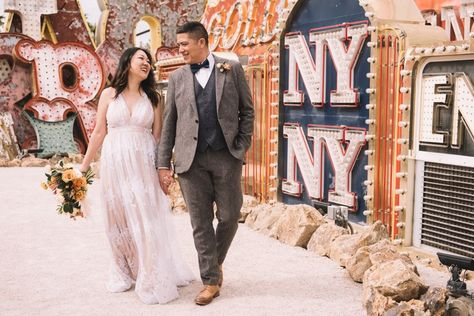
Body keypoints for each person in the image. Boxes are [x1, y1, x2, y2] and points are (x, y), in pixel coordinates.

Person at [79, 47, 194, 304]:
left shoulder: (153, 98)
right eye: (141, 58)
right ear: (127, 61)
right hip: (114, 162)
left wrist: (160, 169)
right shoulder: (109, 94)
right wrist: (83, 168)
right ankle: (124, 270)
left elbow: (158, 137)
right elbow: (99, 132)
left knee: (144, 215)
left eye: (149, 61)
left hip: (142, 163)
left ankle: (150, 272)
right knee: (117, 217)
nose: (146, 63)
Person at [157, 21, 254, 305]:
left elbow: (247, 111)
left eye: (184, 44)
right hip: (190, 160)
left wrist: (241, 145)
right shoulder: (176, 78)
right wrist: (163, 163)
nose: (180, 49)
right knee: (200, 223)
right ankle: (210, 280)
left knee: (229, 215)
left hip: (226, 156)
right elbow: (169, 123)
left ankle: (214, 262)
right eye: (179, 45)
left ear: (202, 42)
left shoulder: (231, 69)